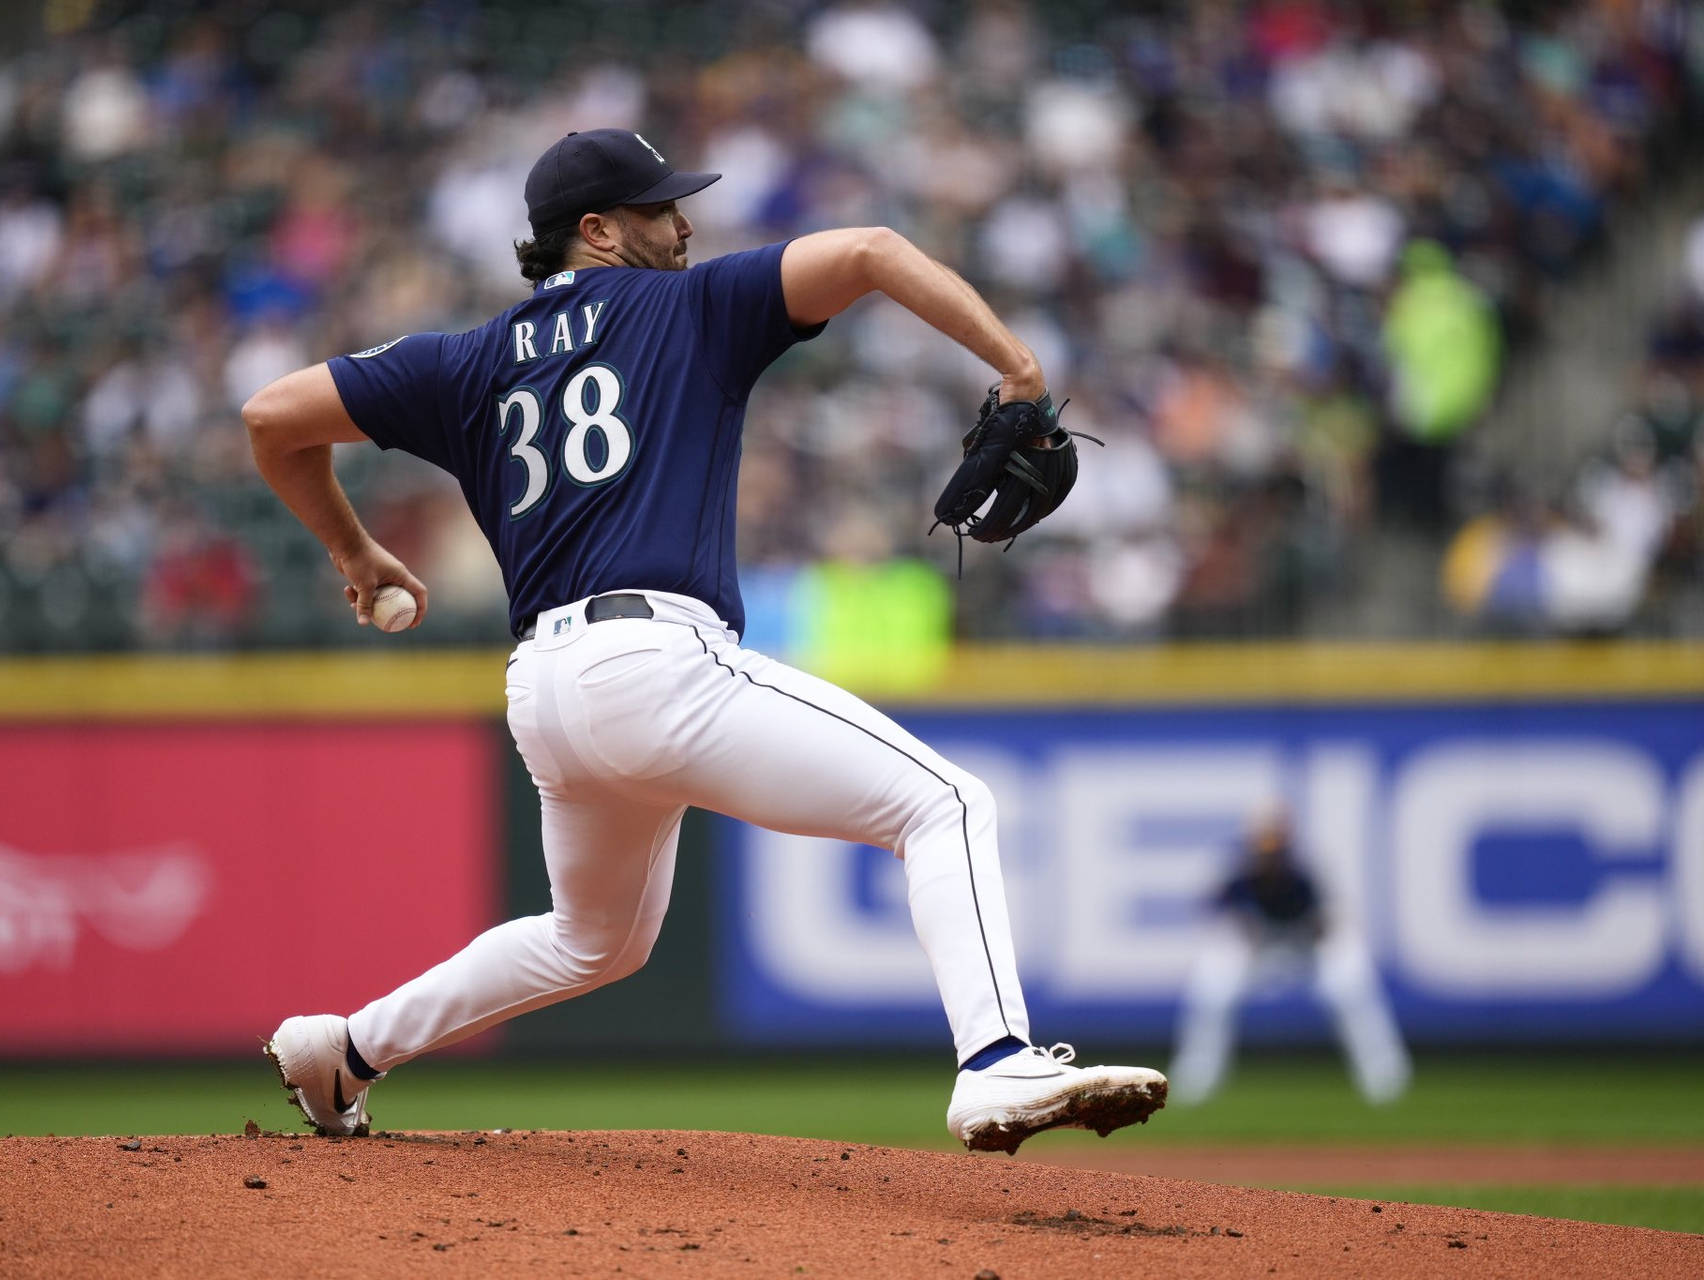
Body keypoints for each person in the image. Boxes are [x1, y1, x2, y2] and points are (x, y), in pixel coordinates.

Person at [242, 128, 1166, 1152]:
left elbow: (271, 417)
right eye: (659, 209)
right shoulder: (696, 306)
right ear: (596, 230)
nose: (684, 225)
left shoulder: (464, 359)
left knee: (594, 939)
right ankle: (994, 1062)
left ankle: (346, 1050)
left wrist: (358, 553)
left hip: (544, 690)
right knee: (946, 802)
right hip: (654, 661)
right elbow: (868, 250)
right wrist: (1019, 365)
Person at [1169, 811, 1411, 1105]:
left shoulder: (1302, 876)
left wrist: (1303, 934)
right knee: (1213, 986)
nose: (1268, 856)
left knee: (1349, 983)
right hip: (1258, 950)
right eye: (1263, 848)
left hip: (1306, 947)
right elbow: (1212, 908)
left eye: (1274, 848)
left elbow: (1325, 926)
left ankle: (1384, 1075)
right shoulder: (1238, 876)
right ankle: (1196, 1077)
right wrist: (1240, 924)